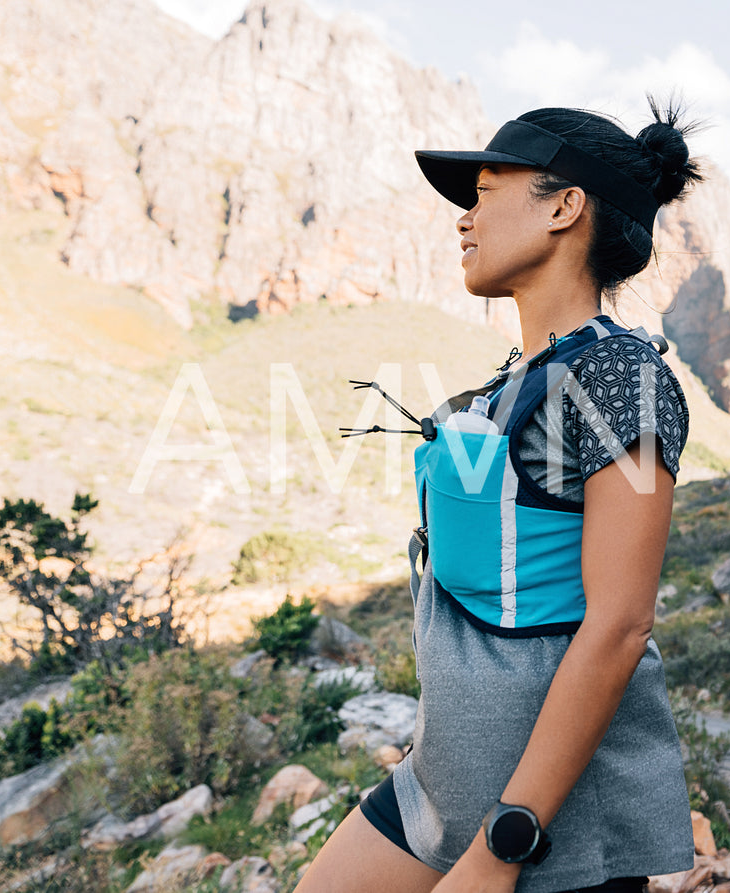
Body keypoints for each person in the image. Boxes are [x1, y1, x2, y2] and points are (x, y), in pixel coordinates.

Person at [296, 98, 704, 893]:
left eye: (484, 191)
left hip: (551, 829)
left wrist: (501, 846)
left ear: (563, 206)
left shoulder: (619, 373)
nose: (463, 219)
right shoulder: (510, 381)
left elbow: (620, 625)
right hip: (437, 789)